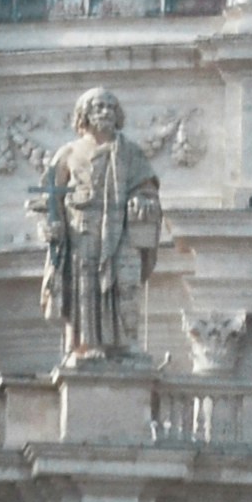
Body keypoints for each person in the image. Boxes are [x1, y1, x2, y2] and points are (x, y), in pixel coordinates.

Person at [34, 86, 159, 360]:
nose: (106, 112)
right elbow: (50, 197)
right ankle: (87, 344)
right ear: (85, 115)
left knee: (126, 283)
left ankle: (126, 341)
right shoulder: (68, 153)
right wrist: (51, 225)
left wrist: (143, 200)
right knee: (85, 288)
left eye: (111, 107)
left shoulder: (131, 152)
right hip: (83, 230)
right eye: (99, 107)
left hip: (121, 228)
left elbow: (146, 188)